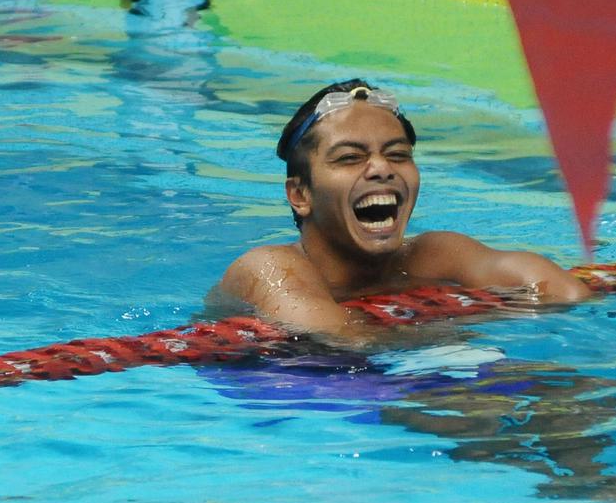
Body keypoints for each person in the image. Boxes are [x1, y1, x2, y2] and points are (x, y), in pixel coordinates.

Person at [216, 78, 591, 343]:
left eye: (398, 155)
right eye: (349, 158)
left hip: (400, 376)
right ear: (300, 195)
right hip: (294, 394)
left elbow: (566, 292)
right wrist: (461, 318)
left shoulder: (435, 255)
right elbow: (340, 341)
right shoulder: (268, 268)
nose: (382, 169)